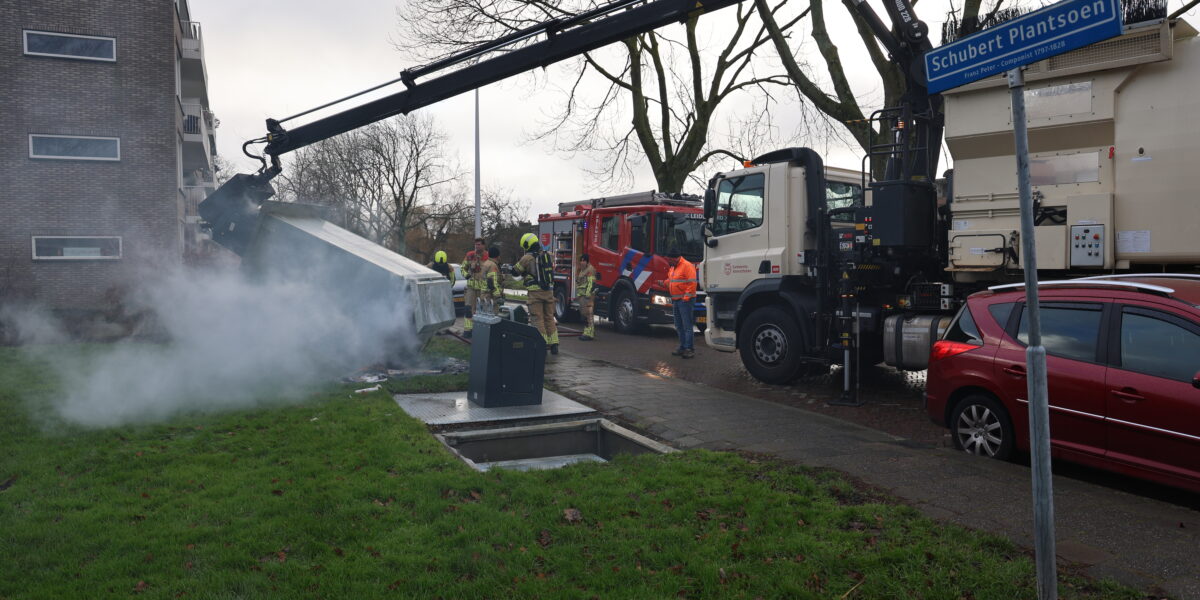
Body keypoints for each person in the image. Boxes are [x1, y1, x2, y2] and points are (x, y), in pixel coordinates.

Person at [512, 232, 559, 354]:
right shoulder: (548, 254)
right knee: (549, 317)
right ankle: (554, 344)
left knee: (537, 319)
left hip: (535, 293)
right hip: (549, 291)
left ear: (527, 244)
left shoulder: (527, 258)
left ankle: (541, 344)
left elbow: (515, 272)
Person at [666, 247, 698, 358]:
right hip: (676, 300)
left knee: (687, 326)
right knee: (679, 325)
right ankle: (683, 347)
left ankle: (689, 349)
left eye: (670, 259)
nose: (668, 261)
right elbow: (672, 281)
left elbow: (692, 283)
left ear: (675, 258)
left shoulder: (687, 266)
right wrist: (664, 283)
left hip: (685, 301)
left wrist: (686, 298)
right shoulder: (673, 267)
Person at [460, 237, 486, 338]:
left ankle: (481, 331)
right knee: (468, 309)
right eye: (476, 244)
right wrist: (466, 274)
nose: (477, 246)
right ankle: (468, 330)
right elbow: (462, 268)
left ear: (483, 245)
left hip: (483, 289)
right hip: (471, 288)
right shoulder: (470, 255)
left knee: (482, 310)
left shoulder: (487, 256)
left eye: (479, 244)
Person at [576, 253, 597, 341]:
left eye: (584, 260)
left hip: (586, 296)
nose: (582, 262)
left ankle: (590, 333)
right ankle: (587, 332)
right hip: (582, 296)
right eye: (581, 260)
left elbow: (591, 284)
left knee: (588, 314)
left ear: (587, 261)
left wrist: (589, 297)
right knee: (584, 314)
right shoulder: (582, 270)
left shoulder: (590, 270)